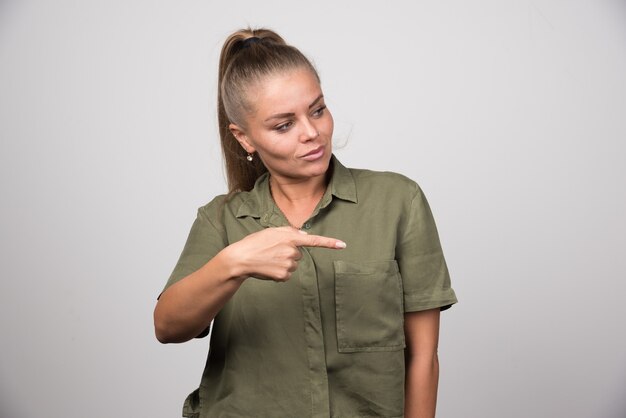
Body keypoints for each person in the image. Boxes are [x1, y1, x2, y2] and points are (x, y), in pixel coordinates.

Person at [154, 27, 457, 418]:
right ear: (244, 138)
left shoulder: (398, 201)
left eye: (317, 109)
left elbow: (423, 357)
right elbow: (167, 327)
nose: (312, 133)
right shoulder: (221, 221)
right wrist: (235, 263)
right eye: (284, 125)